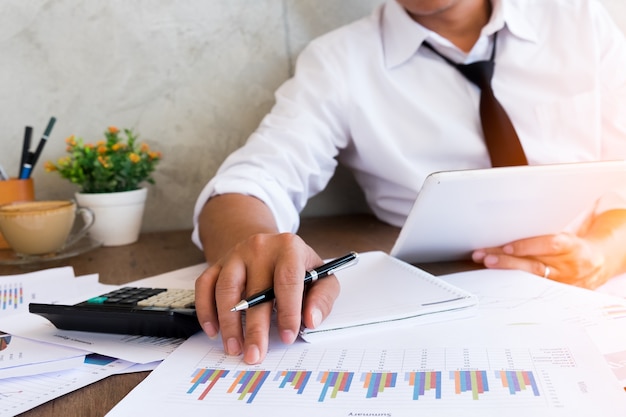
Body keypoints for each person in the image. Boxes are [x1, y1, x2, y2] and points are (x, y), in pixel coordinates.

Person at [193, 0, 626, 364]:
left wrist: (607, 251)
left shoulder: (581, 21)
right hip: (438, 307)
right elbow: (250, 183)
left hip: (593, 291)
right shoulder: (341, 61)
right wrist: (255, 243)